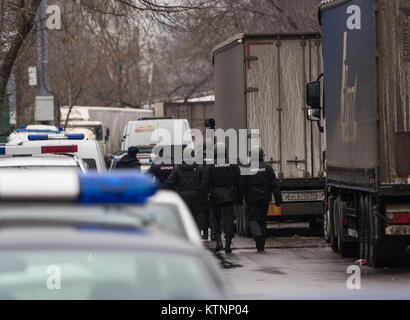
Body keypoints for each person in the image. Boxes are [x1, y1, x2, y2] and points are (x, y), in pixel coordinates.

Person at [202, 142, 244, 253]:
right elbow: (239, 183)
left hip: (214, 196)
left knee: (215, 219)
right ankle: (228, 244)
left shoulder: (210, 166)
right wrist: (239, 198)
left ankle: (218, 241)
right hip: (228, 195)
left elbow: (205, 183)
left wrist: (205, 196)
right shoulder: (233, 165)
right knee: (228, 219)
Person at [242, 146, 282, 252]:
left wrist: (239, 198)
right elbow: (274, 184)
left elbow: (241, 185)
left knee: (252, 219)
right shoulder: (268, 167)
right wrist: (278, 199)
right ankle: (261, 245)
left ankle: (257, 235)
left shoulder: (246, 168)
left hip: (251, 199)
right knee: (262, 220)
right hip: (264, 199)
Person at [165, 146, 205, 229]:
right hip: (196, 194)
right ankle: (196, 232)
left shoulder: (177, 167)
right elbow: (204, 181)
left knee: (184, 215)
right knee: (197, 214)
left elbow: (170, 182)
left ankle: (186, 232)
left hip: (182, 194)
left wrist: (175, 191)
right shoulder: (199, 167)